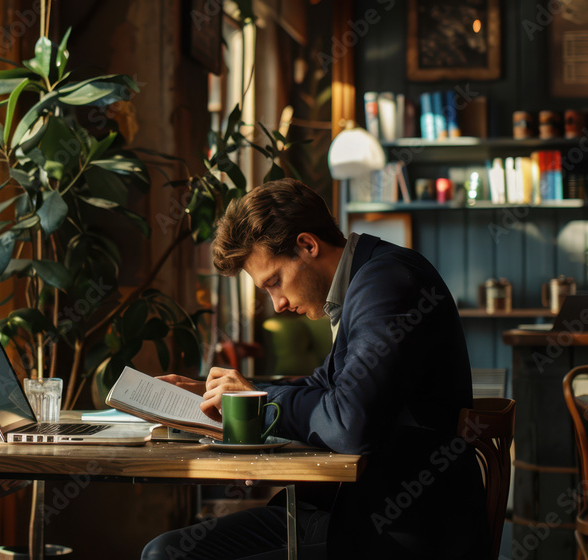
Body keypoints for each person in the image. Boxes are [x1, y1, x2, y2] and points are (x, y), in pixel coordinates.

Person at [142, 178, 489, 559]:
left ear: (307, 245)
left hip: (401, 534)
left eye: (274, 282)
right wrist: (224, 394)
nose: (276, 304)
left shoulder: (387, 284)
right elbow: (322, 387)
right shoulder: (363, 281)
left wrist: (254, 399)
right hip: (347, 512)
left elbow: (349, 422)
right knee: (165, 550)